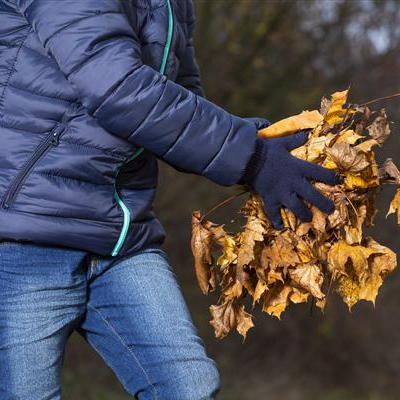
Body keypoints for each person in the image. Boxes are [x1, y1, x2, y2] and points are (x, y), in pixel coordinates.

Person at [0, 0, 339, 399]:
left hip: (122, 236)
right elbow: (118, 88)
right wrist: (252, 159)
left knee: (189, 388)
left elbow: (179, 99)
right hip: (25, 235)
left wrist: (260, 142)